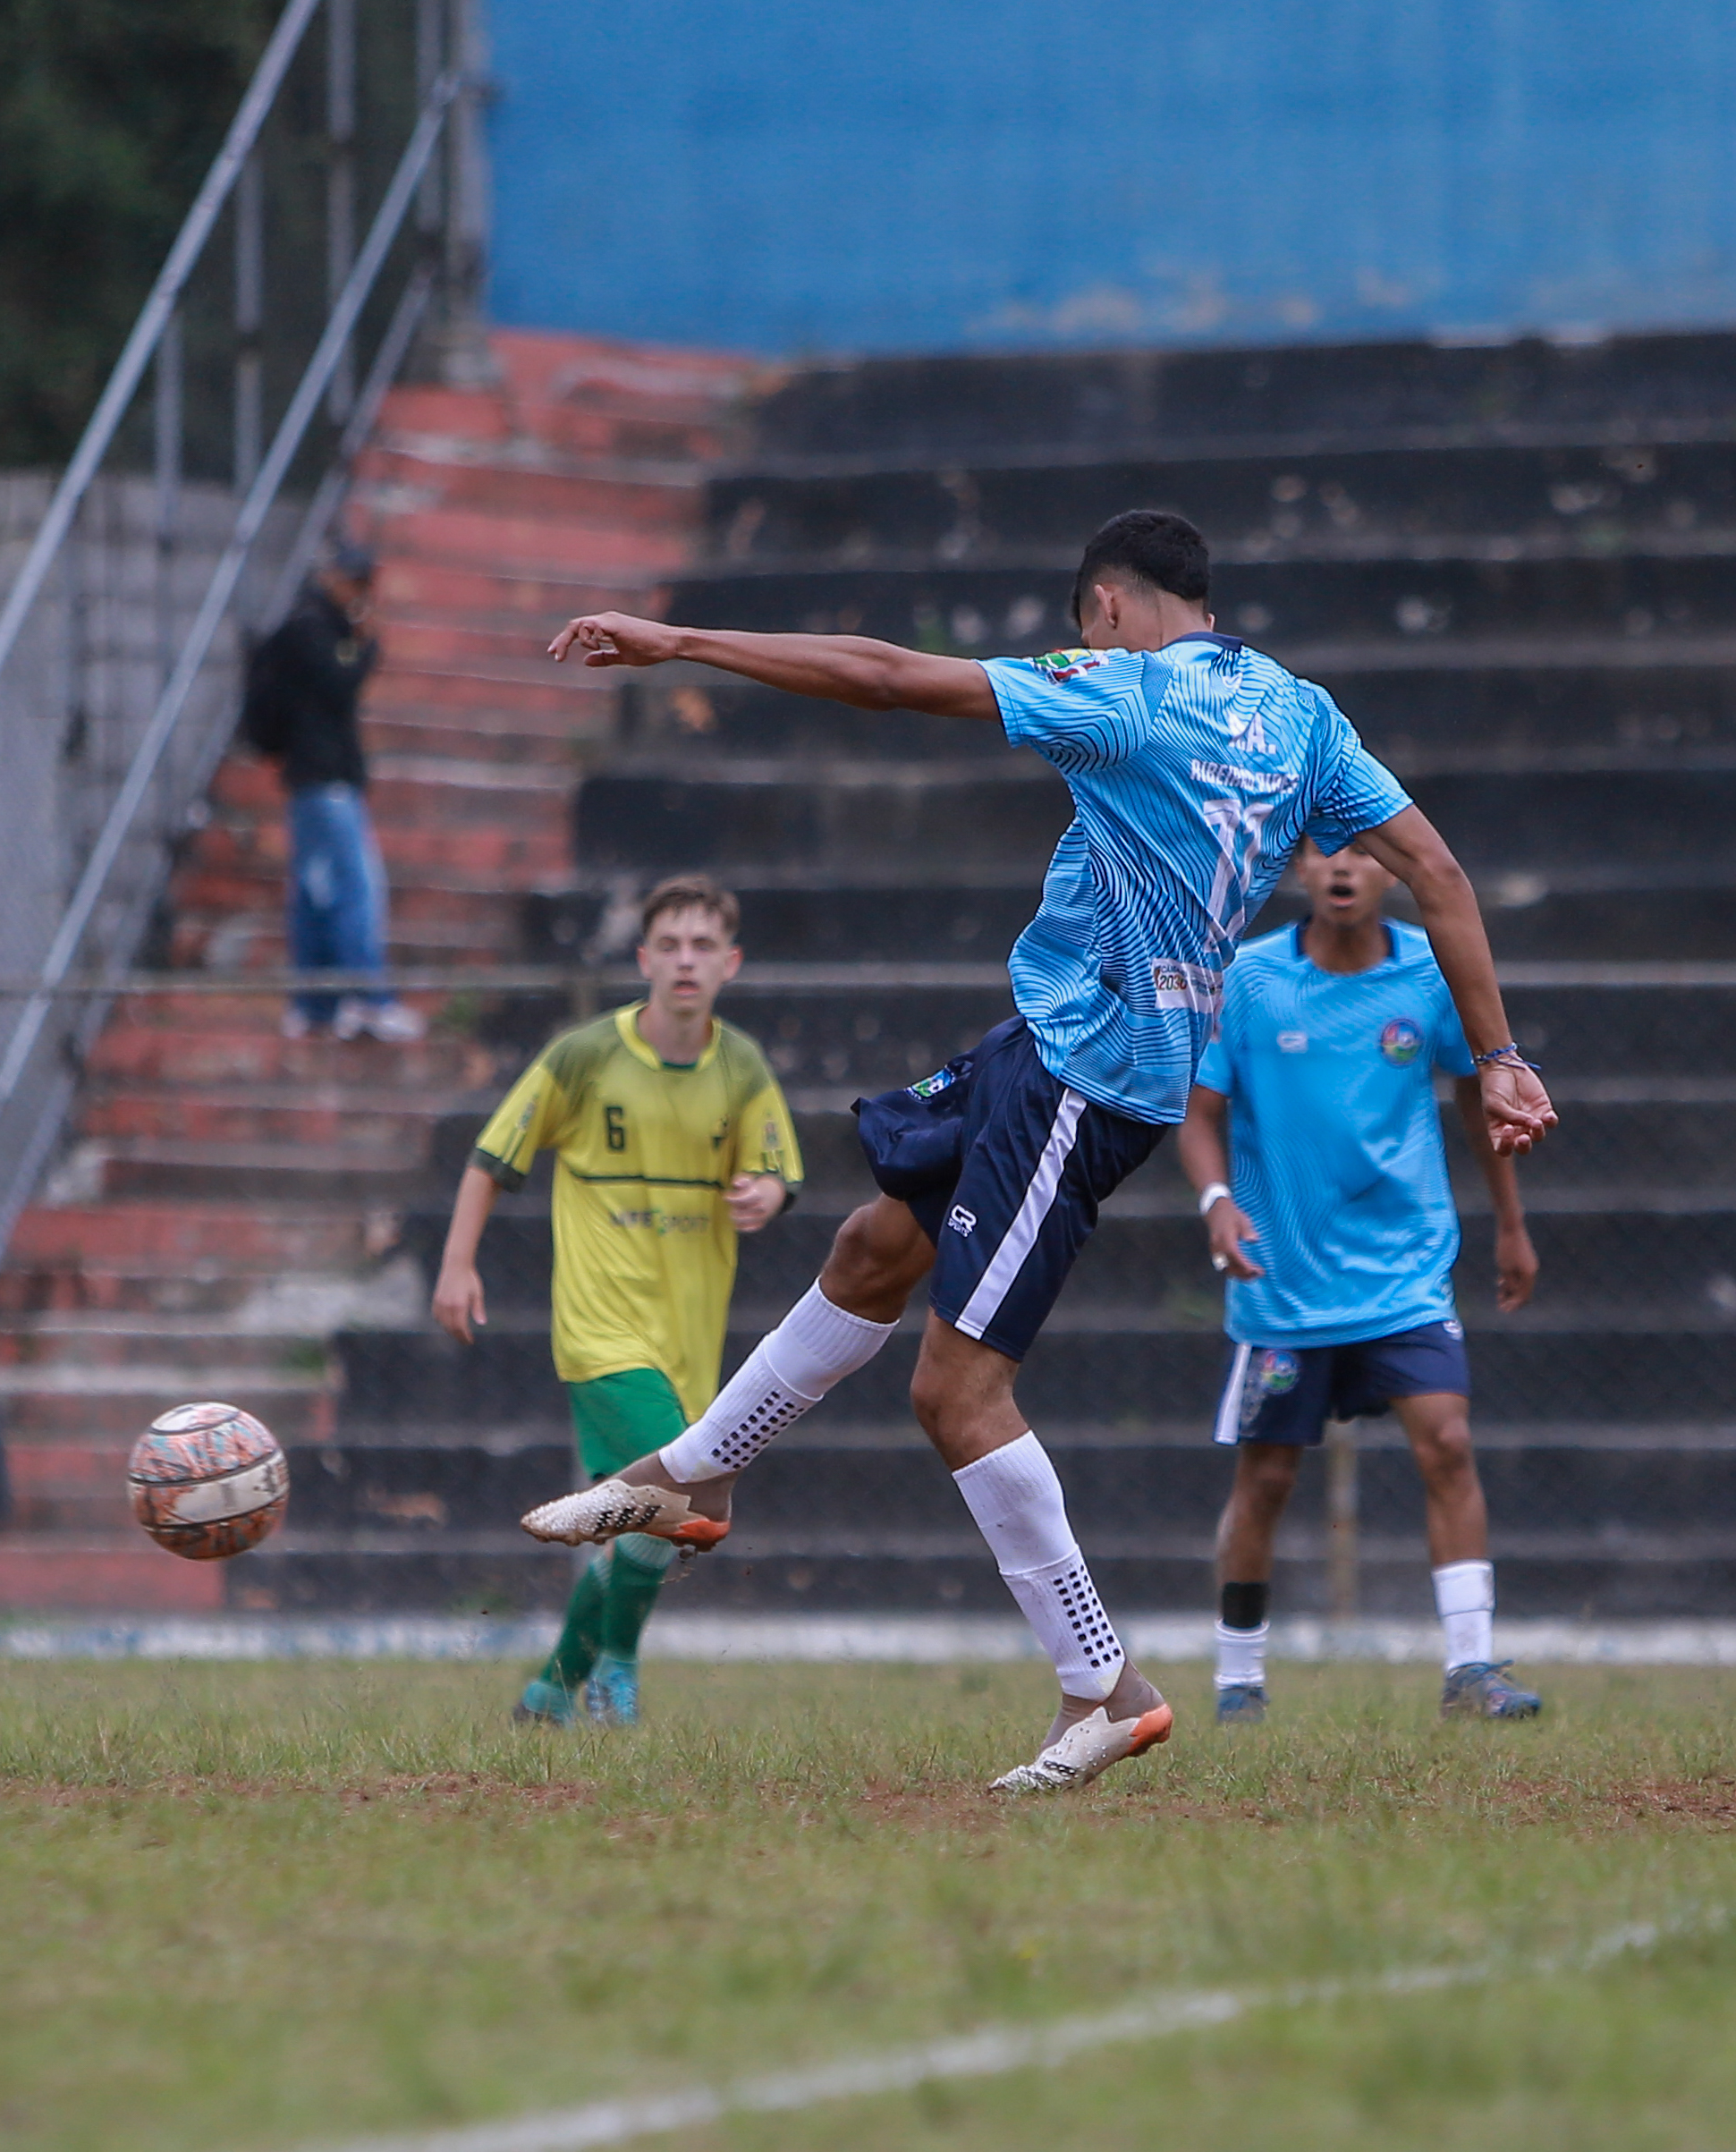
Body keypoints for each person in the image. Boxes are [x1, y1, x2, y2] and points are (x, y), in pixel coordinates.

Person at [520, 511, 1554, 1794]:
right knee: (868, 1248)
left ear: (1106, 608)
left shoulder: (1115, 693)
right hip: (1048, 1040)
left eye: (1079, 627)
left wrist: (677, 640)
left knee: (955, 1396)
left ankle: (1103, 1687)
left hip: (1087, 1075)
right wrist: (1501, 1055)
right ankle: (687, 1478)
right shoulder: (1299, 716)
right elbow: (1440, 870)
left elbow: (886, 676)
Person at [1183, 839, 1544, 1723]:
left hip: (1402, 1270)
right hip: (1285, 1279)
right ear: (1297, 868)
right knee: (1265, 1479)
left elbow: (1475, 1089)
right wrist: (1217, 1201)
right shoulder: (1251, 978)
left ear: (1391, 871)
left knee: (1447, 1441)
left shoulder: (1430, 973)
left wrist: (1509, 1220)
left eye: (1360, 851)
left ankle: (1471, 1669)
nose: (1342, 867)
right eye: (1322, 852)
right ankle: (1237, 1679)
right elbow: (1199, 1109)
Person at [435, 876, 801, 1727]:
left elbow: (779, 1169)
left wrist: (766, 1196)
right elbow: (490, 1158)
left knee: (643, 1523)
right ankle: (617, 1674)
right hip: (601, 1333)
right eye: (668, 944)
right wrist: (457, 1265)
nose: (684, 960)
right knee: (671, 1505)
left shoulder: (740, 1066)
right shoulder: (583, 1056)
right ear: (642, 958)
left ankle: (551, 1689)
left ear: (730, 964)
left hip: (688, 1341)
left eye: (702, 946)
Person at [241, 539, 425, 1043]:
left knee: (316, 896)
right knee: (353, 892)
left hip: (316, 781)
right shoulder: (311, 629)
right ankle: (369, 999)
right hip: (324, 782)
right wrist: (367, 644)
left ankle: (317, 1005)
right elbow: (340, 684)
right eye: (358, 583)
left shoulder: (311, 627)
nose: (363, 594)